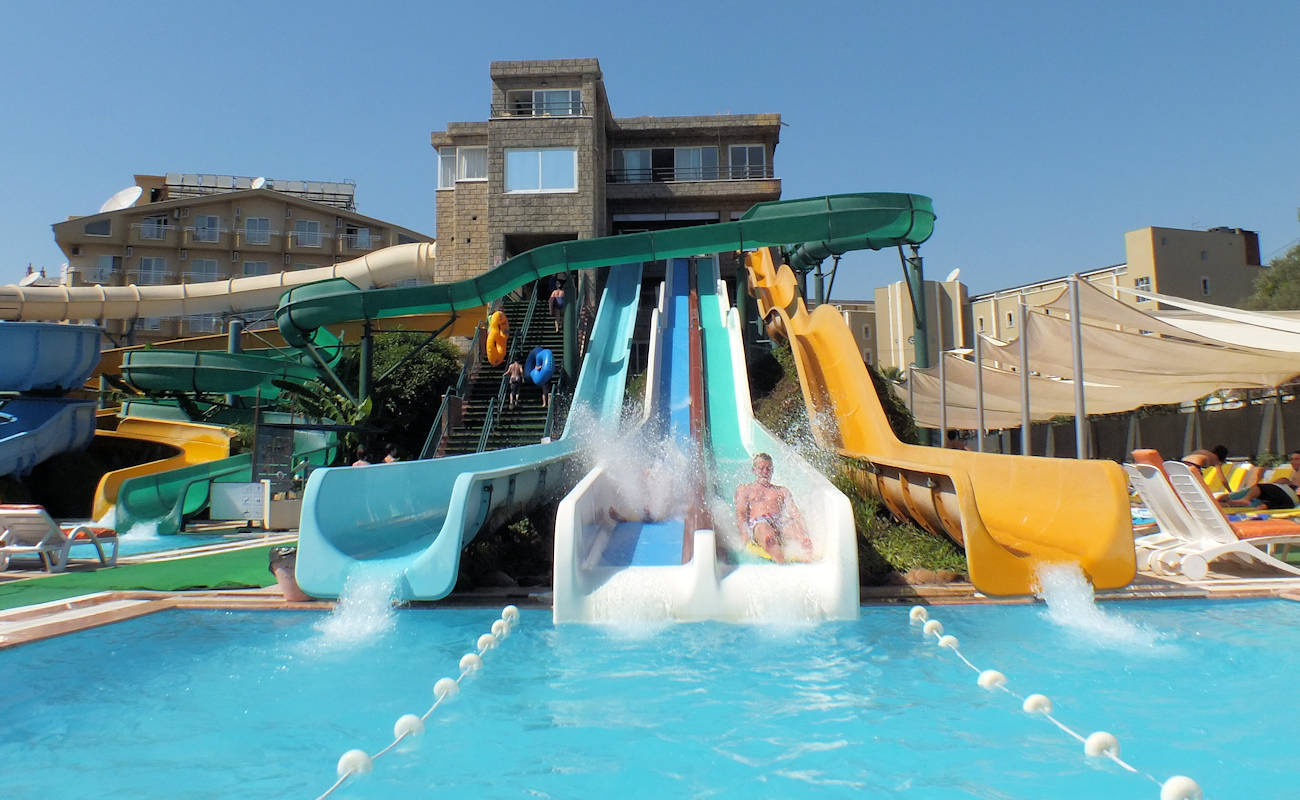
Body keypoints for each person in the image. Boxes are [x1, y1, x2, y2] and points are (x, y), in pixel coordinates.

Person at [734, 452, 812, 563]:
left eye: (769, 469)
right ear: (754, 470)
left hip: (779, 521)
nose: (765, 472)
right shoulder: (745, 490)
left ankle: (808, 555)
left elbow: (795, 513)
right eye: (761, 469)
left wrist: (803, 531)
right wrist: (744, 536)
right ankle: (781, 561)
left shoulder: (781, 491)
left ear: (772, 471)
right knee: (767, 534)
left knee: (796, 529)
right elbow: (741, 514)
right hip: (759, 523)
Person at [1222, 450, 1300, 509]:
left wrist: (1287, 483)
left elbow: (1297, 490)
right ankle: (1228, 505)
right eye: (1292, 459)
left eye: (1296, 459)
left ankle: (1245, 499)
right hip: (1287, 498)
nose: (1293, 462)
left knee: (1259, 488)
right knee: (1259, 502)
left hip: (1291, 497)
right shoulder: (1295, 474)